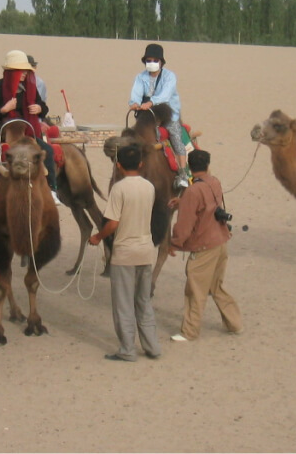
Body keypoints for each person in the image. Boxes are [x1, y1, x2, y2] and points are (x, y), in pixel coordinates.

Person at [87, 144, 161, 362]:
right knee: (143, 301)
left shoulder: (118, 189)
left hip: (125, 253)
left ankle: (127, 349)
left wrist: (98, 237)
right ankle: (152, 346)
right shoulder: (149, 187)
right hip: (146, 250)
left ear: (118, 165)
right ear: (141, 163)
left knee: (123, 304)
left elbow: (113, 224)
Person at [167, 149, 242, 342]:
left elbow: (184, 224)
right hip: (220, 240)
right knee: (216, 287)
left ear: (190, 168)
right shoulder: (213, 182)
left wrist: (174, 243)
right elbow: (207, 204)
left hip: (203, 246)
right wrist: (183, 202)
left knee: (195, 291)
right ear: (207, 165)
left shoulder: (193, 190)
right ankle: (234, 323)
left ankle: (189, 332)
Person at [0, 50, 61, 205]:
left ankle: (51, 189)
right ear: (12, 72)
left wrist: (39, 108)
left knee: (48, 150)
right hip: (2, 131)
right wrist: (4, 109)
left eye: (26, 71)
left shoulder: (29, 87)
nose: (25, 74)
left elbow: (43, 106)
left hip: (25, 132)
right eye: (22, 71)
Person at [129, 43, 189, 189]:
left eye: (155, 60)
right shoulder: (140, 77)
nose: (152, 63)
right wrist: (134, 103)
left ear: (161, 62)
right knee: (133, 136)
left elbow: (165, 95)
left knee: (175, 136)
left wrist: (151, 102)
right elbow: (135, 93)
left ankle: (182, 174)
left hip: (168, 113)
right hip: (148, 116)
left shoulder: (170, 77)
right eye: (148, 60)